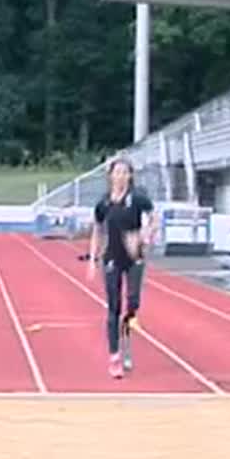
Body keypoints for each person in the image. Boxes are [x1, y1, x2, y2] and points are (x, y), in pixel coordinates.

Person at [86, 156, 157, 378]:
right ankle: (114, 356)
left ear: (130, 176)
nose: (121, 176)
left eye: (125, 172)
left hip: (134, 257)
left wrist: (145, 234)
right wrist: (92, 259)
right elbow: (97, 230)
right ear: (110, 176)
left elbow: (155, 218)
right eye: (117, 172)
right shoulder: (104, 203)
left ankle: (126, 339)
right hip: (112, 258)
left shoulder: (137, 198)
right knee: (113, 307)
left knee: (133, 304)